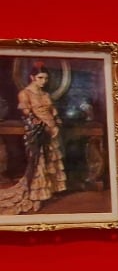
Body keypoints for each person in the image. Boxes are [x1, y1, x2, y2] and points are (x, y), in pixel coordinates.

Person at [0, 64, 68, 215]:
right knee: (39, 162)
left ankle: (47, 193)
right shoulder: (25, 93)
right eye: (40, 78)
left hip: (53, 130)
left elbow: (53, 112)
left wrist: (56, 123)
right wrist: (43, 126)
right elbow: (27, 113)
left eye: (46, 78)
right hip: (39, 131)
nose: (43, 81)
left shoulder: (45, 95)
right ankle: (36, 196)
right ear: (32, 78)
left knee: (51, 160)